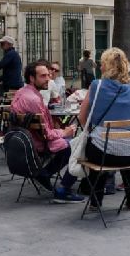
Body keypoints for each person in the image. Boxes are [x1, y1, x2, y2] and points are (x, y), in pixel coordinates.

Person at [10, 60, 86, 204]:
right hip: (38, 144)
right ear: (32, 78)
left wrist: (61, 130)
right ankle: (52, 181)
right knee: (77, 145)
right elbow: (47, 134)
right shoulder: (33, 99)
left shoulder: (21, 92)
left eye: (48, 75)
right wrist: (64, 132)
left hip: (26, 140)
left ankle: (44, 175)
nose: (48, 79)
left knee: (71, 141)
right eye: (43, 76)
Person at [78, 48, 130, 210]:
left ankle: (96, 200)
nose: (99, 67)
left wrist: (91, 132)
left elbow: (82, 117)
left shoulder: (97, 86)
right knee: (128, 147)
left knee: (97, 148)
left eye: (102, 64)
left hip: (102, 155)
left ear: (107, 66)